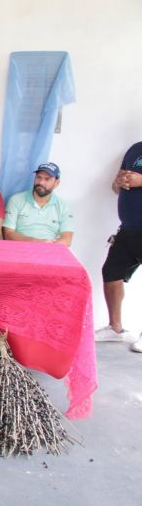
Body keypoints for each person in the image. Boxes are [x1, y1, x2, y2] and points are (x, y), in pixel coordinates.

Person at [95, 141, 142, 351]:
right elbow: (117, 188)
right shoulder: (135, 149)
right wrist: (118, 182)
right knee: (111, 272)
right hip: (128, 228)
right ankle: (115, 328)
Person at [3, 163, 74, 246]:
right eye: (38, 177)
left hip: (50, 249)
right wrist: (34, 242)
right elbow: (8, 234)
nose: (41, 182)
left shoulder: (63, 206)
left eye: (47, 179)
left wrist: (48, 247)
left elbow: (67, 240)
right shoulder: (16, 200)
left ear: (57, 183)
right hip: (21, 248)